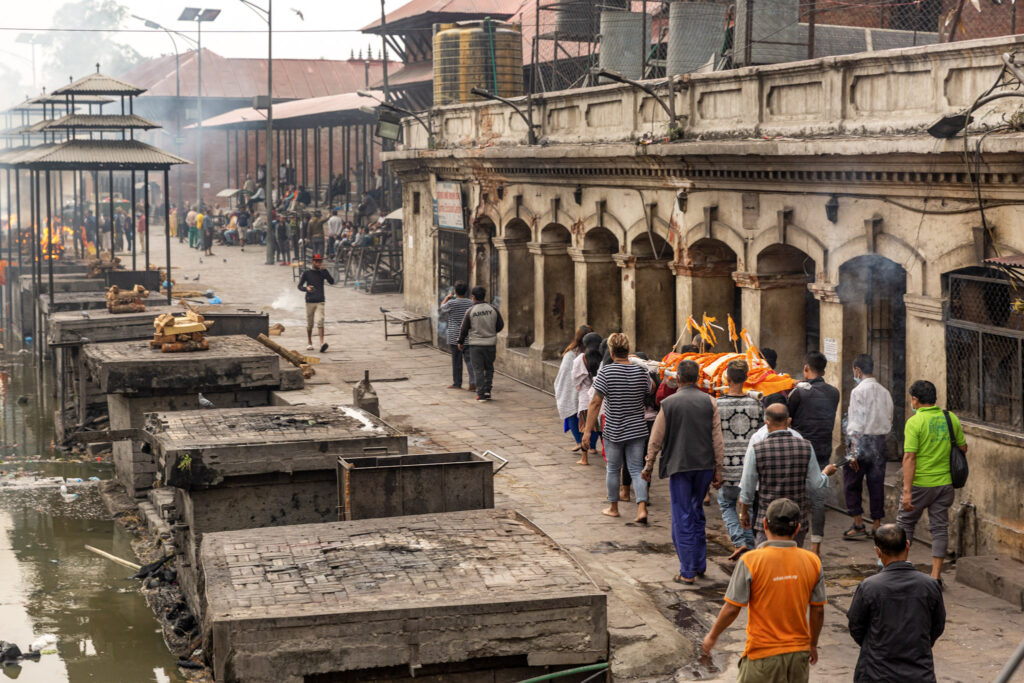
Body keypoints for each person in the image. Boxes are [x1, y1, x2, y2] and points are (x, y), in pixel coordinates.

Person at [703, 498, 827, 683]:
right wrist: (813, 644)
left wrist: (712, 636)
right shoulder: (812, 561)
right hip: (798, 655)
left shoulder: (751, 561)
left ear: (764, 524)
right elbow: (818, 609)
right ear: (797, 528)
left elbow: (732, 608)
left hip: (762, 655)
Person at [642, 359, 724, 583]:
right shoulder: (710, 402)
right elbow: (717, 439)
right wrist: (719, 469)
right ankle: (698, 563)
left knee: (682, 515)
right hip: (704, 465)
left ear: (677, 378)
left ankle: (688, 570)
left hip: (680, 466)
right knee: (697, 512)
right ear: (697, 378)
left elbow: (655, 439)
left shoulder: (669, 404)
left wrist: (649, 465)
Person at [847, 524, 945, 682]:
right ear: (907, 545)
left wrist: (875, 647)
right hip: (919, 673)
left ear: (878, 552)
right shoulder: (930, 585)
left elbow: (856, 626)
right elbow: (937, 626)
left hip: (876, 673)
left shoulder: (869, 587)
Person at [739, 403, 837, 547]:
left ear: (766, 422)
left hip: (768, 520)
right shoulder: (806, 446)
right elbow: (816, 484)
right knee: (792, 564)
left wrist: (744, 513)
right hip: (796, 521)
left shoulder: (758, 449)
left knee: (766, 565)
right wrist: (826, 473)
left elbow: (748, 488)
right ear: (789, 421)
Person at [897, 380, 966, 583]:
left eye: (912, 399)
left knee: (905, 524)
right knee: (939, 528)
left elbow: (910, 457)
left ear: (915, 400)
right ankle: (935, 575)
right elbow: (963, 448)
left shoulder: (915, 422)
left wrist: (907, 491)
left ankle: (899, 572)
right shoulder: (950, 417)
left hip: (920, 484)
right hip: (945, 485)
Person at [582, 333, 652, 525]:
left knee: (613, 469)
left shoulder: (607, 372)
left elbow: (596, 403)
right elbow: (650, 388)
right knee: (637, 469)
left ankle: (613, 507)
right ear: (628, 350)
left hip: (614, 428)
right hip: (637, 428)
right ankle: (642, 508)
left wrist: (587, 431)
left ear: (611, 352)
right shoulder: (640, 372)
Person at [787, 350, 840, 555]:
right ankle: (816, 545)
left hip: (800, 450)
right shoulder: (834, 392)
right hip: (823, 449)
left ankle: (792, 539)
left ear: (806, 369)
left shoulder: (799, 392)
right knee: (818, 499)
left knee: (795, 496)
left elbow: (788, 416)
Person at [843, 353, 894, 540]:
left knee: (851, 483)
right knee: (876, 483)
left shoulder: (858, 392)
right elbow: (889, 419)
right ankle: (877, 526)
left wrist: (853, 451)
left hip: (861, 442)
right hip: (879, 442)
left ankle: (858, 524)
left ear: (857, 370)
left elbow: (856, 422)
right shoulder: (885, 392)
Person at [717, 359, 764, 561]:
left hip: (727, 466)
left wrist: (714, 468)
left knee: (726, 504)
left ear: (727, 378)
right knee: (749, 506)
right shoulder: (756, 404)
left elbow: (714, 438)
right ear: (746, 379)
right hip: (750, 467)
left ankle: (740, 542)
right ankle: (749, 547)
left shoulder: (717, 405)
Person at [456, 286, 504, 402]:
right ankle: (488, 391)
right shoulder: (493, 309)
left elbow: (464, 329)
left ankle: (481, 393)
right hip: (490, 344)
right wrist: (491, 332)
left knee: (478, 369)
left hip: (476, 345)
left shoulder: (470, 311)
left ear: (473, 297)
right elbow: (500, 325)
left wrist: (460, 341)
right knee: (489, 368)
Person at [555, 325, 593, 452]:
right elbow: (566, 375)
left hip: (587, 390)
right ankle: (582, 443)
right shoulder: (572, 354)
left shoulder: (584, 353)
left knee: (591, 416)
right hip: (578, 389)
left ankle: (587, 445)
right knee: (572, 411)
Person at [571, 333, 603, 463]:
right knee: (602, 429)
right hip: (600, 397)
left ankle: (584, 458)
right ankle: (598, 450)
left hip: (585, 397)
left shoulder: (581, 359)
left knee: (585, 428)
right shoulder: (603, 358)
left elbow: (575, 380)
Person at [440, 281, 476, 391]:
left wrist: (447, 298)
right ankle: (473, 382)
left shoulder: (452, 303)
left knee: (456, 361)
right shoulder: (471, 303)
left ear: (455, 291)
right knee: (469, 360)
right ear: (466, 291)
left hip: (455, 335)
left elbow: (442, 307)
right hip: (468, 335)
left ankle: (457, 383)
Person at [297, 254, 335, 352]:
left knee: (320, 320)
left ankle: (322, 342)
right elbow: (299, 286)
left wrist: (325, 271)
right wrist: (306, 288)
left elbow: (332, 281)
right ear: (313, 261)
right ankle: (309, 342)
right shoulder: (307, 273)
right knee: (310, 323)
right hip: (309, 301)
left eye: (320, 261)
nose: (318, 263)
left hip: (320, 301)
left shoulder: (322, 272)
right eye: (316, 261)